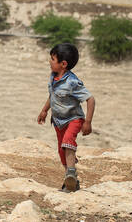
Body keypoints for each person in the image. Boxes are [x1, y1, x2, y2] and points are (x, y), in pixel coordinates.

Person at [37, 43, 96, 192]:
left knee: (67, 142)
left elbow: (90, 99)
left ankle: (71, 172)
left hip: (73, 119)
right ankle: (70, 181)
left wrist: (87, 122)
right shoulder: (53, 77)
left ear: (63, 64)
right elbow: (53, 95)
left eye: (52, 59)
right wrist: (44, 111)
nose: (50, 62)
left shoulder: (72, 82)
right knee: (62, 150)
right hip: (58, 121)